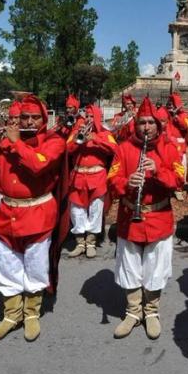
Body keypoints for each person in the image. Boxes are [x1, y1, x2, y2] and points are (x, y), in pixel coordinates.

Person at [0, 95, 65, 342]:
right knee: (7, 266)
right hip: (7, 213)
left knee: (35, 267)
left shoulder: (54, 142)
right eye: (24, 117)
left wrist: (15, 143)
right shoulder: (5, 143)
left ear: (44, 119)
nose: (28, 121)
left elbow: (39, 165)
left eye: (34, 117)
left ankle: (31, 314)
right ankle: (11, 315)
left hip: (38, 214)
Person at [108, 96, 184, 340]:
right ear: (136, 124)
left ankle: (151, 311)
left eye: (151, 122)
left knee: (156, 267)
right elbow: (111, 180)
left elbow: (179, 180)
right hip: (130, 215)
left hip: (159, 216)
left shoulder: (170, 148)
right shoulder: (123, 148)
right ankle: (133, 311)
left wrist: (158, 170)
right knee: (129, 266)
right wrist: (127, 182)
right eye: (142, 122)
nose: (147, 127)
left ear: (158, 125)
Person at [64, 105, 116, 259]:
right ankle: (80, 243)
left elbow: (115, 149)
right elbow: (66, 149)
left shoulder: (105, 134)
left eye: (91, 116)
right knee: (76, 211)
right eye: (86, 116)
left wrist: (96, 139)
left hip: (97, 177)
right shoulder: (75, 131)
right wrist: (76, 139)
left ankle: (91, 242)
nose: (88, 119)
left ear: (98, 118)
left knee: (96, 210)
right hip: (78, 177)